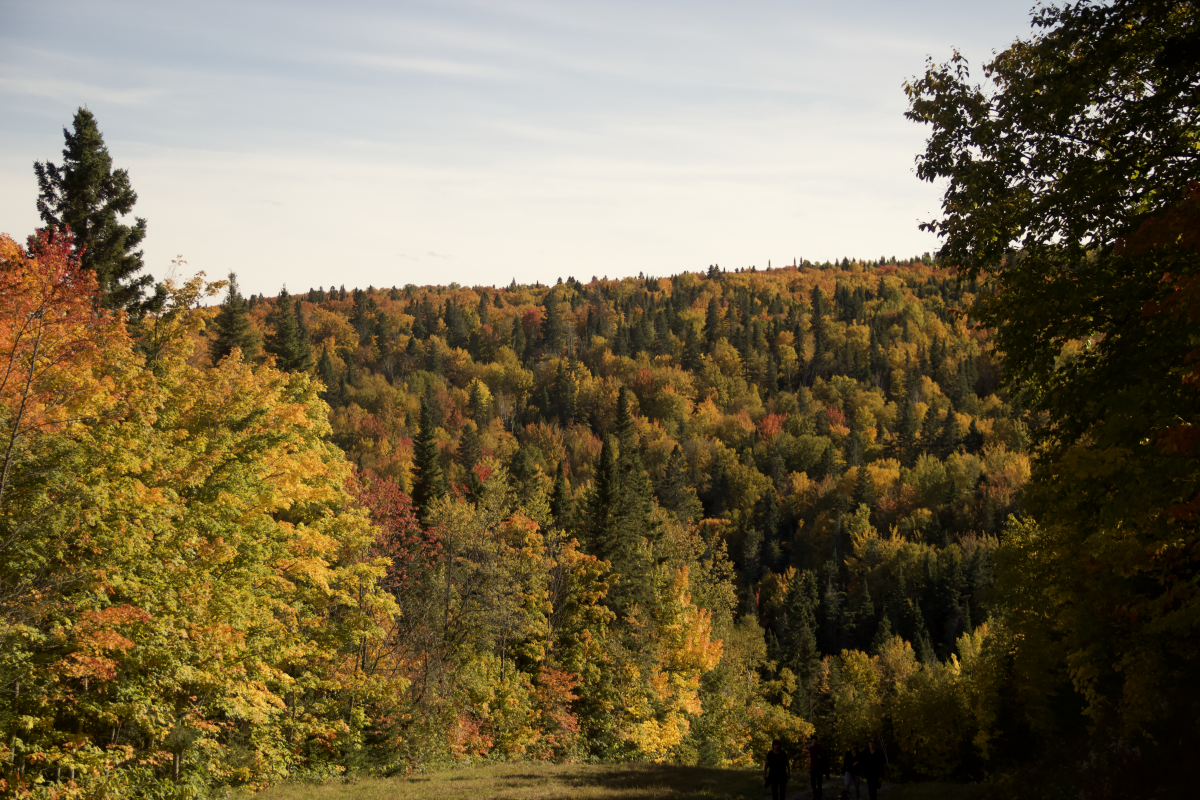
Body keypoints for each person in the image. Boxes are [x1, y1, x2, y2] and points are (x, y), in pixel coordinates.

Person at [807, 734, 829, 800]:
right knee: (813, 783)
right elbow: (811, 752)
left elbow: (824, 756)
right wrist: (813, 745)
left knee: (819, 783)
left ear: (817, 740)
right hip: (813, 768)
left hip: (820, 768)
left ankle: (819, 796)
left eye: (815, 740)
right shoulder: (811, 747)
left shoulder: (821, 748)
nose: (814, 741)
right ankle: (816, 794)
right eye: (813, 740)